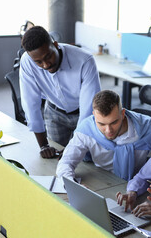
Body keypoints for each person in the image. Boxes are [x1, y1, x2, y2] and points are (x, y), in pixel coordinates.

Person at [19, 26, 101, 158]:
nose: (45, 65)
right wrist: (44, 145)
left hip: (81, 114)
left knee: (86, 158)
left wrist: (75, 147)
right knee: (55, 161)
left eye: (48, 56)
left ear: (55, 45)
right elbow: (30, 103)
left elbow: (88, 109)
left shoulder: (85, 61)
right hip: (54, 112)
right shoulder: (27, 61)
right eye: (38, 62)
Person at [56, 90, 151, 181]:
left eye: (114, 122)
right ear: (94, 115)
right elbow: (66, 162)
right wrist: (72, 183)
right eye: (101, 124)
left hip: (138, 183)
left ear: (123, 113)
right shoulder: (86, 130)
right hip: (101, 179)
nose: (108, 130)